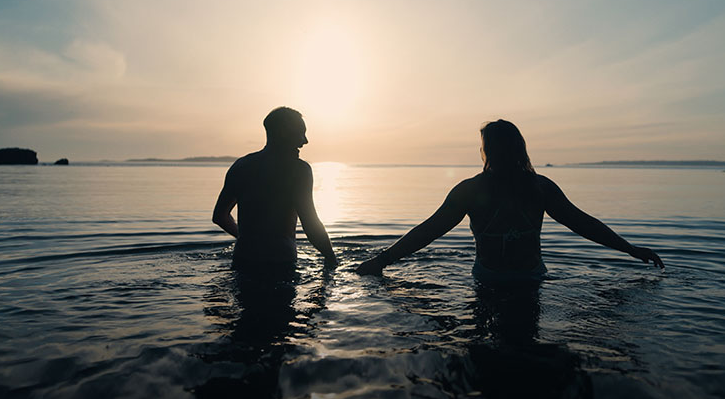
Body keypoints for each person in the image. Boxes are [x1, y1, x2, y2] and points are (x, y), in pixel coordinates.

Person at [356, 119, 663, 282]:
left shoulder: (472, 190)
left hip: (491, 279)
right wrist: (630, 250)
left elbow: (428, 230)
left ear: (487, 151)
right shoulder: (540, 187)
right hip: (529, 277)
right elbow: (583, 224)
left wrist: (381, 261)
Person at [213, 107, 337, 270]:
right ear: (284, 133)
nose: (305, 141)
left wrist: (245, 238)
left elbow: (220, 216)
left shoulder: (241, 166)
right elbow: (311, 224)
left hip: (243, 261)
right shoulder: (298, 170)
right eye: (300, 133)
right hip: (280, 263)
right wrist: (331, 259)